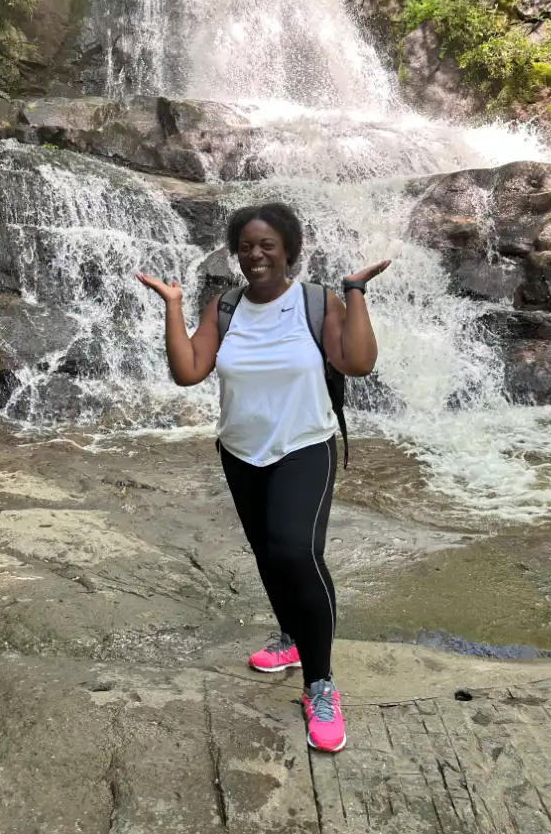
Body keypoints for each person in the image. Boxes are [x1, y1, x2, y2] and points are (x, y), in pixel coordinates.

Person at [136, 202, 389, 753]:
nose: (256, 255)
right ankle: (292, 637)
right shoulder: (224, 307)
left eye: (267, 245)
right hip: (241, 450)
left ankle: (320, 683)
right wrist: (174, 307)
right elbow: (188, 372)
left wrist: (355, 292)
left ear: (289, 252)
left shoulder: (316, 300)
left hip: (304, 445)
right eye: (246, 246)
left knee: (296, 551)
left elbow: (359, 362)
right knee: (269, 554)